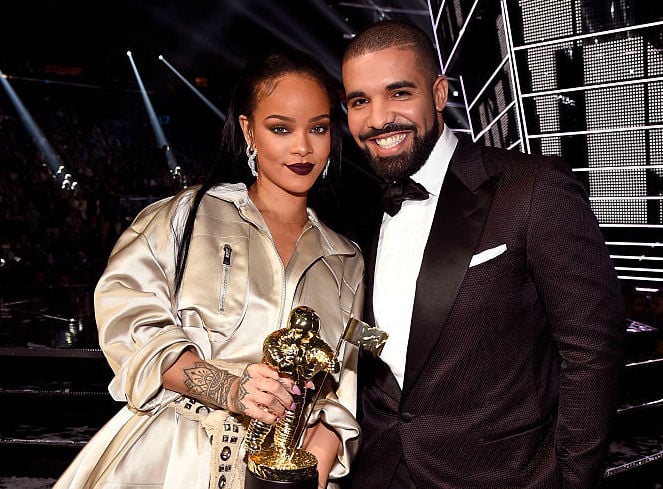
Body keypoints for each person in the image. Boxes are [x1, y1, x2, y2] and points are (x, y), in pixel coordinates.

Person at [53, 47, 364, 489]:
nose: (302, 147)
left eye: (318, 128)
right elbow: (133, 323)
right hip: (172, 457)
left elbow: (337, 395)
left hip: (284, 472)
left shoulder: (345, 260)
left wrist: (306, 476)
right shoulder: (185, 216)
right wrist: (231, 389)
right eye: (280, 128)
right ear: (248, 131)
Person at [340, 20, 626, 489]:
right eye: (359, 101)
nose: (377, 119)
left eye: (398, 93)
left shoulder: (532, 188)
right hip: (382, 469)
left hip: (501, 475)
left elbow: (593, 349)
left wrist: (570, 480)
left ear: (438, 93)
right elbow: (394, 341)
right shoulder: (361, 211)